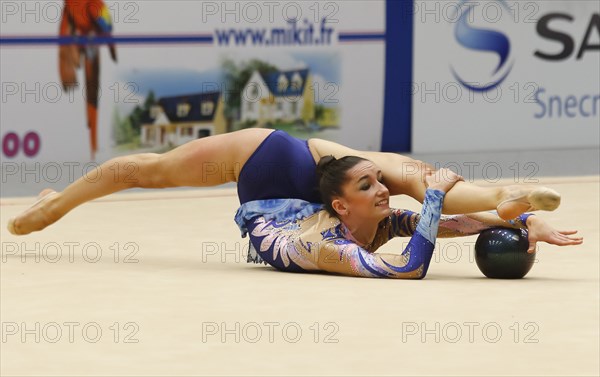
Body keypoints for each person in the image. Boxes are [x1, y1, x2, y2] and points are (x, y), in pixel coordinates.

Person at [6, 129, 582, 278]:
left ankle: (508, 198)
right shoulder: (329, 246)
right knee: (412, 178)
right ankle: (52, 207)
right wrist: (430, 199)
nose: (382, 197)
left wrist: (527, 223)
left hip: (280, 170)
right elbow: (409, 266)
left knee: (405, 176)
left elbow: (437, 225)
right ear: (344, 204)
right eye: (370, 189)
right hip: (280, 168)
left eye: (371, 191)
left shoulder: (352, 219)